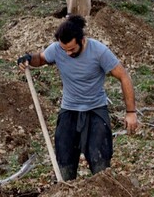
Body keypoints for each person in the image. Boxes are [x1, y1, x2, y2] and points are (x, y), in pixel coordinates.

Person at [17, 15, 138, 181]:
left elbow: (124, 77)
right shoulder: (57, 49)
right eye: (64, 49)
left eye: (72, 49)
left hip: (95, 110)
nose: (67, 53)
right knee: (64, 163)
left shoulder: (99, 51)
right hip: (69, 110)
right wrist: (29, 58)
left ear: (82, 40)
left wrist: (131, 112)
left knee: (100, 162)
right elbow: (42, 58)